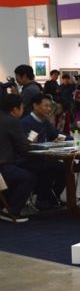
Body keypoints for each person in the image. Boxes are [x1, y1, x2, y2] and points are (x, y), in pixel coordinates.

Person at [0, 94, 36, 222]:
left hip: (5, 163)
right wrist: (31, 142)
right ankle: (11, 211)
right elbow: (24, 148)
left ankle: (5, 206)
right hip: (3, 166)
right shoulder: (12, 121)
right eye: (22, 107)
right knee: (28, 177)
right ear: (15, 109)